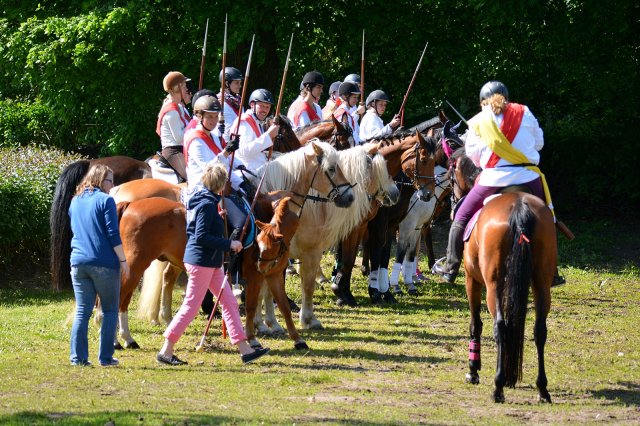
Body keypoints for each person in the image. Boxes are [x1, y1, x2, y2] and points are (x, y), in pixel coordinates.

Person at [433, 81, 549, 284]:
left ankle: (451, 266)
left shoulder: (478, 121)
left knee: (461, 215)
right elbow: (539, 143)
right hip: (528, 176)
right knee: (548, 215)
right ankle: (551, 270)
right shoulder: (525, 112)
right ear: (507, 96)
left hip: (493, 178)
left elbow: (474, 157)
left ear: (482, 102)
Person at [157, 162, 270, 365]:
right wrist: (230, 243)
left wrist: (217, 219)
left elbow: (200, 227)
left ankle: (244, 349)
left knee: (229, 302)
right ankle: (166, 349)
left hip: (211, 262)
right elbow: (200, 237)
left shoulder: (206, 201)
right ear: (220, 184)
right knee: (191, 306)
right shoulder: (207, 204)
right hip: (202, 262)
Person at [69, 164, 129, 367]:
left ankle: (78, 358)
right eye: (110, 180)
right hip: (104, 263)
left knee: (82, 311)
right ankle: (105, 358)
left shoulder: (75, 201)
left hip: (78, 263)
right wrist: (123, 260)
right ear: (100, 180)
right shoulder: (106, 200)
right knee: (111, 310)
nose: (113, 185)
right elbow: (113, 234)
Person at [184, 95, 240, 190]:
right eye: (210, 116)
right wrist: (226, 151)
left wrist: (240, 182)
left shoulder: (214, 136)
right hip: (201, 190)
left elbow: (224, 165)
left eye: (216, 116)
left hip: (218, 186)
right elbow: (209, 169)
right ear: (199, 116)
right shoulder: (196, 141)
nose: (214, 121)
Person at [156, 71, 193, 182]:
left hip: (181, 148)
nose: (187, 89)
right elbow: (180, 138)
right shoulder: (171, 111)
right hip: (173, 151)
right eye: (184, 86)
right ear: (177, 88)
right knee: (193, 178)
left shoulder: (179, 107)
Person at [217, 66, 244, 140]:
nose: (240, 86)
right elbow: (227, 131)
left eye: (240, 83)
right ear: (226, 83)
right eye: (237, 83)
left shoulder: (238, 100)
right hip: (229, 143)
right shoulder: (222, 103)